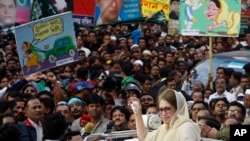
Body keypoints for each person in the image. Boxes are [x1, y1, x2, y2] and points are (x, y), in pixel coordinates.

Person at [129, 89, 200, 141]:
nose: (163, 113)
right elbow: (144, 138)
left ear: (178, 108)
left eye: (168, 109)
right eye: (161, 109)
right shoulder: (164, 128)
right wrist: (137, 112)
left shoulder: (187, 128)